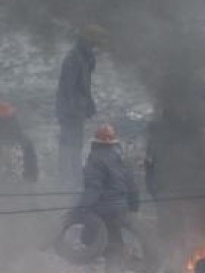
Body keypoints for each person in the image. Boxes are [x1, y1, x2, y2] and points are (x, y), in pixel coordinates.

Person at [74, 124, 139, 273]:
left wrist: (80, 209)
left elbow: (93, 188)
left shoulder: (95, 160)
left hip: (103, 210)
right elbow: (132, 186)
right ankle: (118, 262)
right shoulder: (121, 157)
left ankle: (116, 262)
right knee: (114, 239)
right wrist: (134, 207)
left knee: (90, 238)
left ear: (96, 141)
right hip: (121, 208)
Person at [56, 24, 106, 187]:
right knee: (68, 146)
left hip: (77, 109)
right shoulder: (74, 59)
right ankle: (68, 181)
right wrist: (73, 112)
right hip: (70, 111)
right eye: (96, 41)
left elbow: (84, 86)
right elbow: (68, 89)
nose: (97, 45)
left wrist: (88, 104)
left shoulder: (85, 57)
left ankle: (74, 178)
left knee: (75, 146)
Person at [0, 101, 37, 182]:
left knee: (28, 145)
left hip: (12, 137)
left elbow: (17, 131)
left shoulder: (8, 112)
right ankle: (30, 176)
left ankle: (30, 176)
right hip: (9, 138)